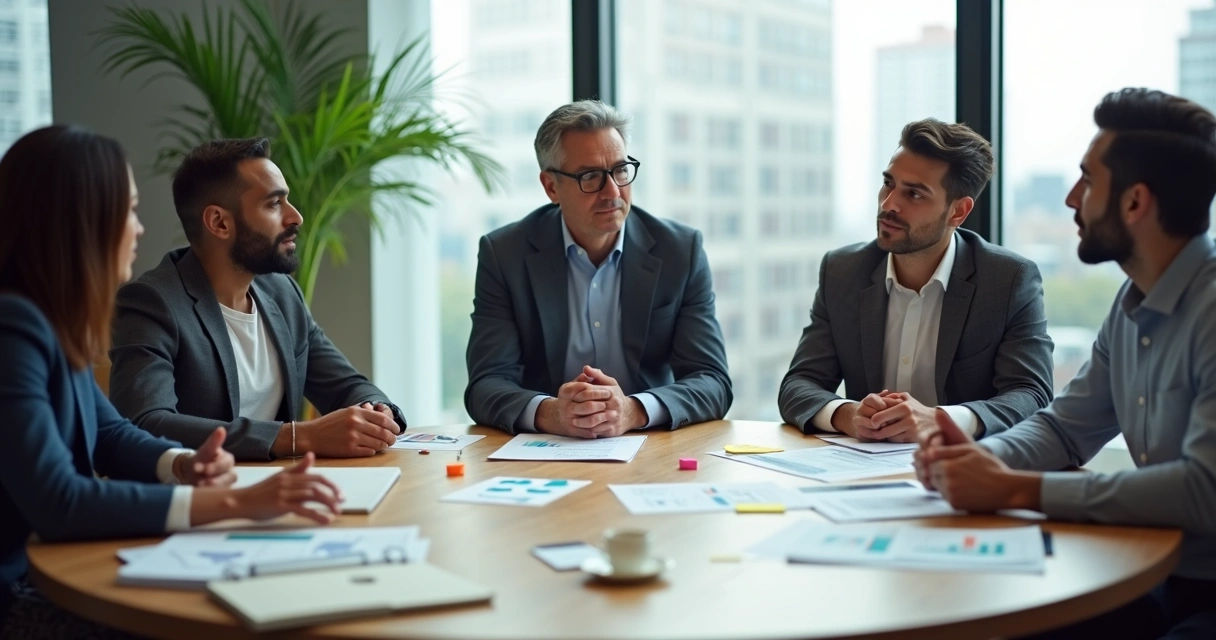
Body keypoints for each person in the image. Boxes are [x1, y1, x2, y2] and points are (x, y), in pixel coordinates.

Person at [0, 126, 344, 635]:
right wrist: (235, 502)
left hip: (55, 573)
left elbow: (111, 434)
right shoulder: (13, 328)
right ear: (79, 223)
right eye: (129, 211)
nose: (138, 230)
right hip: (21, 594)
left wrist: (184, 465)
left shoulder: (49, 322)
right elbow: (60, 502)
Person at [916, 88, 1216, 639]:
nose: (1071, 199)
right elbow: (1064, 429)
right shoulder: (1131, 305)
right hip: (1157, 571)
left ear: (1134, 202)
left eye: (1088, 181)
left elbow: (1205, 490)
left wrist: (1015, 490)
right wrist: (978, 459)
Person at [108, 138, 407, 461]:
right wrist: (298, 437)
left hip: (283, 493)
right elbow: (145, 424)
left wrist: (376, 412)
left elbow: (345, 385)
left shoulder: (282, 293)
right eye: (274, 204)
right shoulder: (152, 303)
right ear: (220, 223)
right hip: (201, 501)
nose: (296, 217)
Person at [464, 100, 732, 437]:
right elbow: (486, 385)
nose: (613, 192)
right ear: (550, 187)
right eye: (590, 176)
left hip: (648, 448)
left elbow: (713, 381)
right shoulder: (505, 254)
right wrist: (552, 414)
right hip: (546, 451)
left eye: (621, 170)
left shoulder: (680, 250)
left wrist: (632, 411)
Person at [778, 119, 1054, 443]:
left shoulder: (1008, 281)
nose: (888, 204)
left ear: (958, 212)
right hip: (862, 471)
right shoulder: (842, 271)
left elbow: (1031, 395)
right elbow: (798, 385)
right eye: (888, 183)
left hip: (962, 472)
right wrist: (847, 415)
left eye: (914, 193)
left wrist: (939, 420)